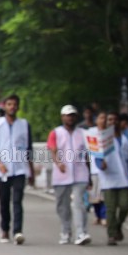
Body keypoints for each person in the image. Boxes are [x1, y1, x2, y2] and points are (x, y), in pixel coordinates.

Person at [0, 94, 34, 244]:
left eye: (14, 104)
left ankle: (18, 231)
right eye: (9, 104)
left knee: (17, 200)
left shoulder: (24, 125)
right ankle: (5, 229)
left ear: (18, 107)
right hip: (3, 169)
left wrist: (31, 170)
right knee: (4, 201)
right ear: (4, 106)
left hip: (20, 168)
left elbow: (28, 149)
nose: (12, 107)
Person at [48, 105, 92, 245]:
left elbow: (88, 155)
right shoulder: (56, 133)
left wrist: (90, 174)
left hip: (80, 173)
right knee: (63, 206)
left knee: (79, 203)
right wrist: (58, 163)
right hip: (62, 174)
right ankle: (66, 231)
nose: (70, 117)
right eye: (68, 115)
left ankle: (81, 232)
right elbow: (53, 151)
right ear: (62, 117)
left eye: (72, 115)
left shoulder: (83, 133)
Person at [96, 110, 128, 245]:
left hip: (124, 177)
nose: (112, 122)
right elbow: (96, 156)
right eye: (109, 120)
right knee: (110, 209)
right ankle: (111, 235)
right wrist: (101, 165)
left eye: (114, 119)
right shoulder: (101, 138)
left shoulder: (126, 138)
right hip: (108, 178)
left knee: (125, 206)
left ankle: (118, 226)